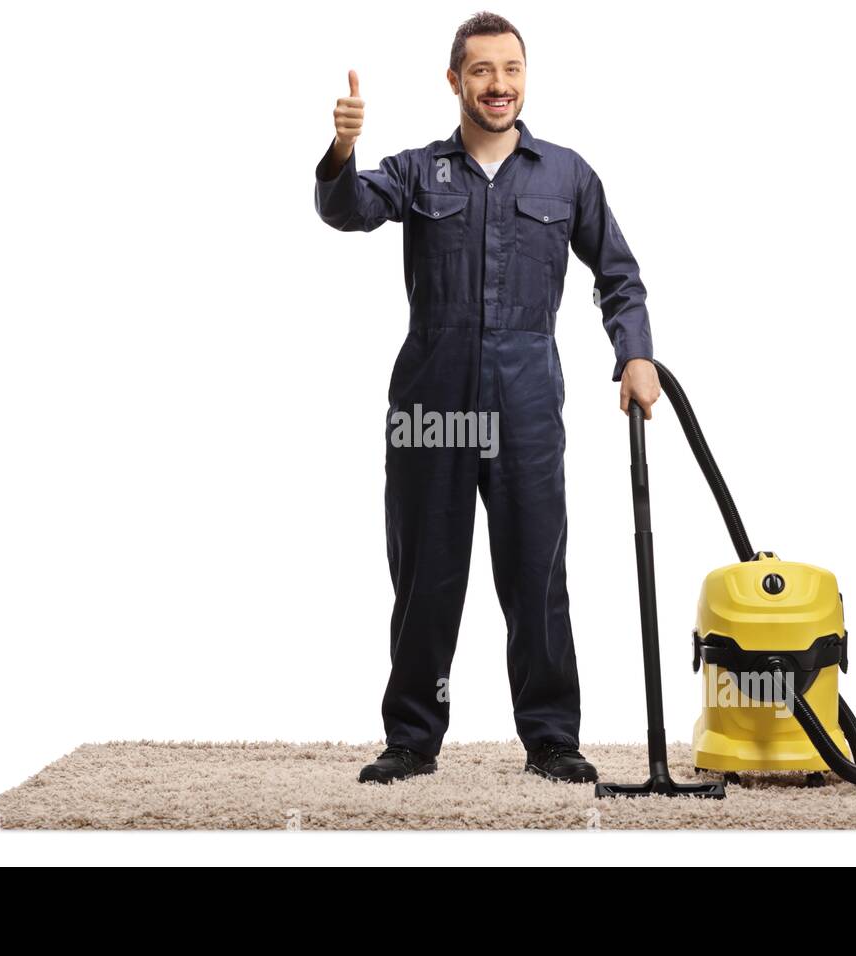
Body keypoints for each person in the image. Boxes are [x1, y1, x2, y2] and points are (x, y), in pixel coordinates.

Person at [314, 11, 661, 784]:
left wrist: (634, 354)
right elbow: (346, 211)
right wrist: (343, 150)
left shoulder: (567, 174)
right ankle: (411, 738)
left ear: (524, 78)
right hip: (432, 399)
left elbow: (619, 275)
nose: (498, 84)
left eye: (510, 69)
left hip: (528, 400)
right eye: (481, 71)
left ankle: (551, 739)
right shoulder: (416, 170)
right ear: (454, 81)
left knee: (536, 570)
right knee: (426, 573)